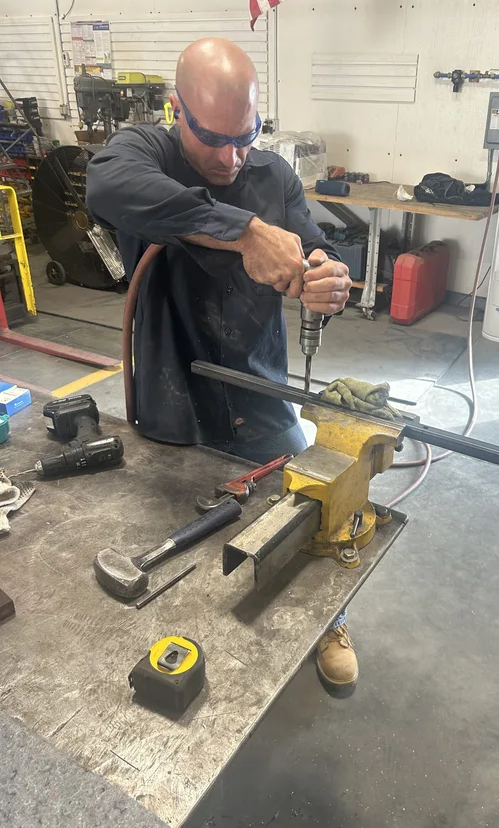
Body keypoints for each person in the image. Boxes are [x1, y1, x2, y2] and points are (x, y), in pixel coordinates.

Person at [86, 38, 357, 690]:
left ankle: (330, 621)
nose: (232, 157)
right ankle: (186, 639)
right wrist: (244, 231)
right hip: (170, 398)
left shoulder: (275, 177)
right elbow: (109, 186)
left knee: (312, 512)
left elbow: (315, 249)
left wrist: (329, 280)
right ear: (176, 110)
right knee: (173, 540)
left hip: (258, 395)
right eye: (213, 138)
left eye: (246, 135)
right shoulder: (142, 154)